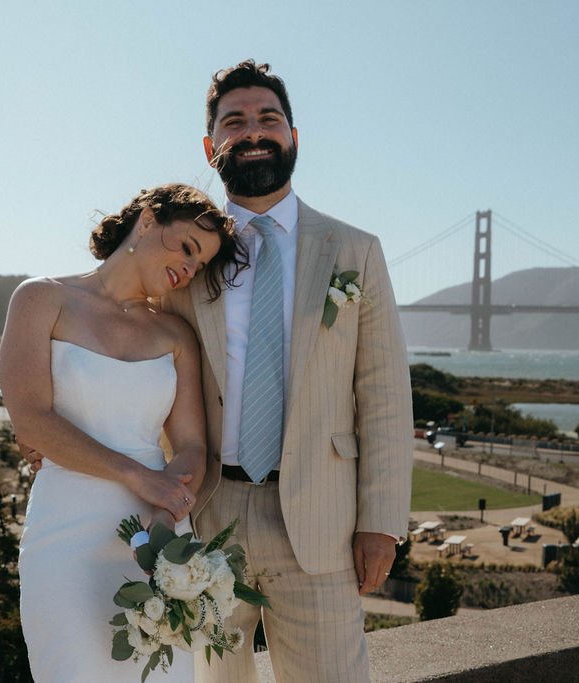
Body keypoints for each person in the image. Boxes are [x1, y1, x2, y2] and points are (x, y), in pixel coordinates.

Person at [161, 60, 415, 683]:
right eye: (235, 121)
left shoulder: (355, 251)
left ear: (293, 135)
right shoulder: (183, 256)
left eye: (268, 119)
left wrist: (381, 522)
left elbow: (382, 394)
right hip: (207, 515)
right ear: (210, 145)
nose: (253, 132)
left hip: (323, 521)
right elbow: (139, 361)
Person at [1, 183, 246, 682]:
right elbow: (32, 419)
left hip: (157, 537)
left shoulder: (176, 335)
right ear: (150, 220)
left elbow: (193, 446)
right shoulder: (41, 298)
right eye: (186, 248)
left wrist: (162, 517)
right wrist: (140, 476)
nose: (188, 268)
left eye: (199, 265)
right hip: (65, 534)